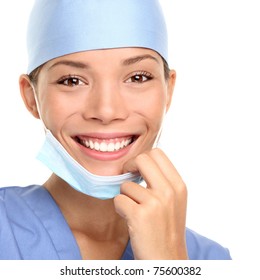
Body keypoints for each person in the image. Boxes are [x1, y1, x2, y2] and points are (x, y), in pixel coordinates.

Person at [0, 0, 231, 260]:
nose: (107, 111)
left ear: (168, 91)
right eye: (72, 80)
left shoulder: (211, 260)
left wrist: (169, 262)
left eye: (138, 77)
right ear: (31, 97)